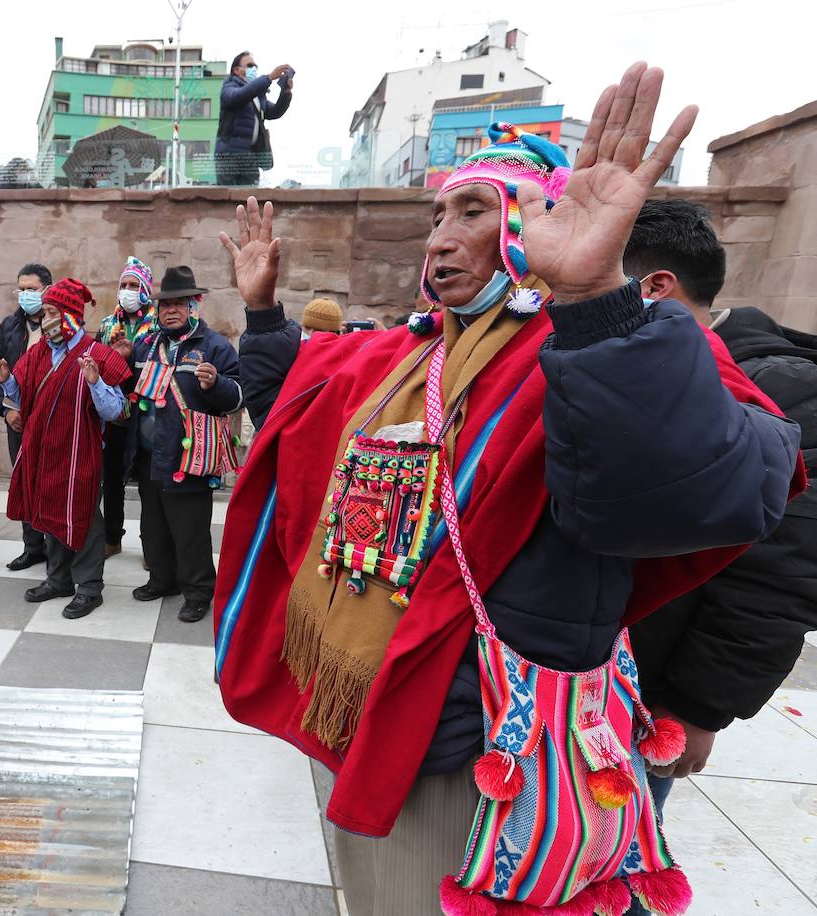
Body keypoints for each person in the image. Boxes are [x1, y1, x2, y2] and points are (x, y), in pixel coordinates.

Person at [213, 63, 804, 915]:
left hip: (488, 734)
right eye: (437, 218)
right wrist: (266, 316)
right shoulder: (403, 354)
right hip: (365, 706)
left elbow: (705, 491)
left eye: (472, 212)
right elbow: (298, 421)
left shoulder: (604, 343)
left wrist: (595, 302)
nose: (439, 240)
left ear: (536, 223)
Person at [623, 200, 817, 877]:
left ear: (655, 288)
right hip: (572, 679)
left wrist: (695, 708)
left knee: (617, 863)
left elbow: (779, 579)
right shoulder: (630, 368)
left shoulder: (782, 393)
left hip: (648, 694)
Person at [0, 278, 132, 619]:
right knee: (49, 510)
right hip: (44, 449)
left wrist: (95, 383)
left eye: (52, 312)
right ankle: (58, 579)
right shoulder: (38, 353)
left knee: (84, 515)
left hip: (80, 451)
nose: (45, 319)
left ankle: (90, 588)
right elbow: (22, 396)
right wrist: (7, 380)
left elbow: (115, 411)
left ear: (71, 315)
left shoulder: (99, 355)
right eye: (45, 313)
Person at [116, 266, 243, 623]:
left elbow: (238, 397)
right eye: (165, 305)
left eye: (179, 304)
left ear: (193, 305)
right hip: (149, 455)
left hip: (189, 456)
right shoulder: (146, 346)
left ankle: (199, 592)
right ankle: (162, 579)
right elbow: (129, 390)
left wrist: (216, 384)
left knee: (190, 530)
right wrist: (122, 360)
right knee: (153, 525)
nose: (170, 310)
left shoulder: (215, 346)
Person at [0, 262, 52, 570]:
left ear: (47, 290)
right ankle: (33, 546)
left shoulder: (60, 324)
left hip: (51, 419)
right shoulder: (10, 326)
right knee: (25, 482)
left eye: (32, 289)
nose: (26, 294)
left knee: (51, 483)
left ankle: (58, 549)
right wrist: (6, 409)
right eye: (21, 289)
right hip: (18, 419)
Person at [97, 257, 157, 559]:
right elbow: (97, 368)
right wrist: (112, 356)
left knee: (148, 485)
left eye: (134, 285)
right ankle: (112, 538)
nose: (128, 291)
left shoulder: (157, 326)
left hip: (147, 417)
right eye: (124, 285)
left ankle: (151, 545)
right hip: (115, 417)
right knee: (112, 481)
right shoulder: (107, 325)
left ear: (146, 289)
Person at [214, 51, 293, 187]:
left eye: (255, 66)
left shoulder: (258, 97)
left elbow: (275, 111)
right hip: (228, 156)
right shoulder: (229, 87)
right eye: (250, 65)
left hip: (250, 156)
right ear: (236, 70)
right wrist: (268, 78)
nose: (254, 69)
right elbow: (238, 96)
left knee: (250, 196)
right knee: (227, 197)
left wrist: (285, 92)